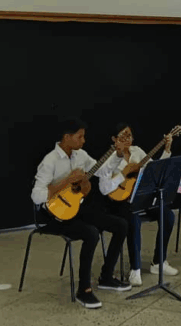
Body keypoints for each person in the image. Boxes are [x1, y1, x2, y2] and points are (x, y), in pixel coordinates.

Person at [31, 119, 131, 310]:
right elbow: (36, 196)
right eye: (80, 137)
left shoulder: (81, 155)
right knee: (91, 233)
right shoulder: (50, 161)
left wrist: (118, 154)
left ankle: (106, 277)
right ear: (66, 137)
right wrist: (66, 181)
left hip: (76, 210)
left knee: (121, 225)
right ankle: (83, 290)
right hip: (53, 216)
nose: (84, 141)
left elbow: (102, 170)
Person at [100, 123, 177, 287]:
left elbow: (156, 170)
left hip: (142, 197)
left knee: (168, 215)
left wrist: (167, 149)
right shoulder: (109, 158)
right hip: (119, 202)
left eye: (129, 135)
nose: (127, 139)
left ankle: (159, 262)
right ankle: (135, 269)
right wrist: (124, 175)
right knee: (133, 220)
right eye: (123, 136)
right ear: (114, 139)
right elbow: (106, 187)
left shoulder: (137, 151)